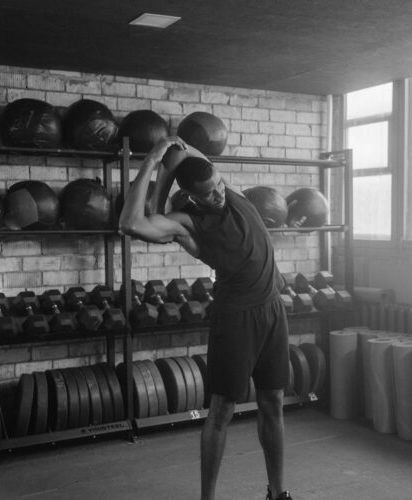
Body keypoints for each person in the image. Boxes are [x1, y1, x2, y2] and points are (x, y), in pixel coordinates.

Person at [120, 136, 293, 500]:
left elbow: (183, 154)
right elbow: (131, 222)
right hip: (236, 319)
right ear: (193, 197)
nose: (219, 194)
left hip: (272, 311)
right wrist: (152, 159)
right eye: (209, 193)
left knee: (273, 401)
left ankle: (277, 493)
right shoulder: (188, 224)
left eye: (219, 185)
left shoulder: (232, 193)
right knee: (221, 411)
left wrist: (172, 149)